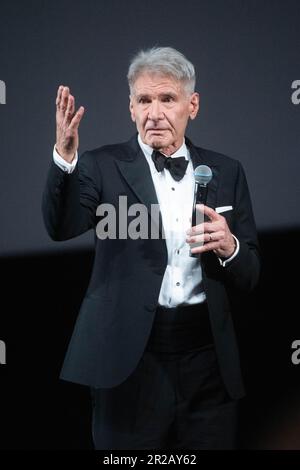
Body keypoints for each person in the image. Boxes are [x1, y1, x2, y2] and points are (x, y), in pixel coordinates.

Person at [42, 47, 260, 450]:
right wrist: (65, 160)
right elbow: (60, 227)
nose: (154, 113)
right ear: (130, 107)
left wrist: (230, 247)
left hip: (208, 362)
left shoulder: (227, 171)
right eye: (144, 100)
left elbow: (251, 273)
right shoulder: (100, 166)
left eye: (167, 99)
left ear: (192, 105)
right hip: (130, 362)